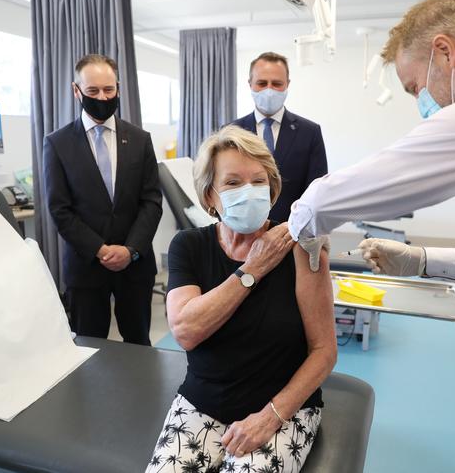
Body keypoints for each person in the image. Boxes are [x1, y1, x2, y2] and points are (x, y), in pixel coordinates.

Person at [287, 0, 455, 472]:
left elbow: (381, 180)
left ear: (445, 53)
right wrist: (423, 260)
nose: (421, 104)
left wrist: (295, 227)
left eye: (414, 89)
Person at [146, 125, 336, 473]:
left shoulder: (300, 248)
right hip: (202, 403)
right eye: (233, 183)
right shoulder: (188, 246)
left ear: (273, 188)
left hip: (281, 409)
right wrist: (254, 267)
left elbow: (324, 351)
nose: (248, 191)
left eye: (258, 181)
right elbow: (186, 331)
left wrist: (269, 417)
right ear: (209, 197)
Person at [43, 54, 162, 345]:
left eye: (108, 90)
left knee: (139, 345)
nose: (102, 97)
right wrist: (100, 249)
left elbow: (151, 201)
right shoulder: (57, 143)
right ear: (76, 90)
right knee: (88, 347)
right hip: (86, 268)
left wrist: (130, 249)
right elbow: (60, 209)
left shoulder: (140, 139)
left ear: (118, 88)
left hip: (134, 266)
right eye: (93, 91)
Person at [232, 52, 327, 223]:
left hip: (292, 232)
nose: (269, 90)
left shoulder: (310, 132)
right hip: (241, 230)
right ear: (250, 84)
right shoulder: (232, 132)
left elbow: (317, 191)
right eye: (262, 83)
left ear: (287, 84)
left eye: (276, 84)